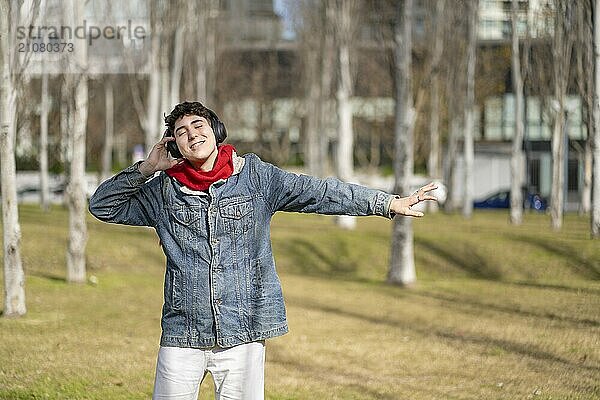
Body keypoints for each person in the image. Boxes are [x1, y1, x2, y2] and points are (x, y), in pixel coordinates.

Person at [88, 101, 437, 400]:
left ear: (216, 130)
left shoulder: (256, 177)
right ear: (175, 145)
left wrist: (388, 203)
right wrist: (147, 168)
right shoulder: (163, 192)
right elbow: (103, 205)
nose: (192, 133)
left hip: (244, 330)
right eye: (181, 131)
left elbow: (320, 193)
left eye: (198, 125)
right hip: (183, 333)